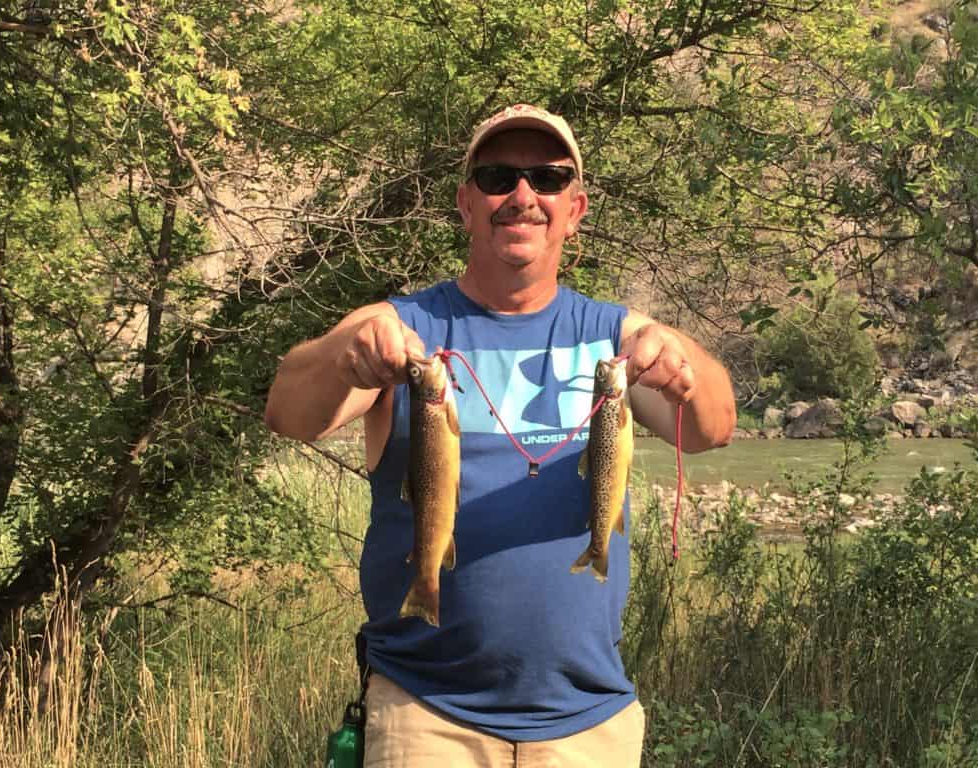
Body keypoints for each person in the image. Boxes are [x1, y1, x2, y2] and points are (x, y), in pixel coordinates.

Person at [265, 103, 736, 767]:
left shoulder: (616, 342)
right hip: (424, 713)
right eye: (496, 177)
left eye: (546, 178)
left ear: (575, 207)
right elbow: (287, 410)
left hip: (588, 719)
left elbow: (714, 427)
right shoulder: (403, 329)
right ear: (465, 204)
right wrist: (347, 351)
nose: (522, 196)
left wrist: (678, 355)